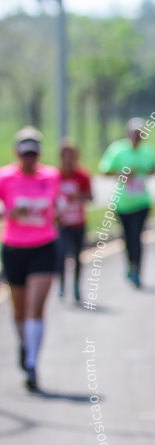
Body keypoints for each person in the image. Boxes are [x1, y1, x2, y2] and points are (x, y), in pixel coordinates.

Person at [0, 128, 61, 391]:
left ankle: (32, 363)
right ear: (17, 154)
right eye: (25, 154)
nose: (29, 159)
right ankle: (25, 346)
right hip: (14, 247)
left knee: (36, 307)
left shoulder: (50, 176)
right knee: (19, 309)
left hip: (44, 245)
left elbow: (56, 206)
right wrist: (11, 211)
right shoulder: (5, 177)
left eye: (33, 154)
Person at [98, 118, 155, 288]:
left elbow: (154, 168)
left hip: (142, 202)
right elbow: (104, 171)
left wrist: (143, 171)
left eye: (140, 135)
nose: (137, 138)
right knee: (127, 237)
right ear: (128, 134)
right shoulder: (117, 150)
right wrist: (123, 173)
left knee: (137, 236)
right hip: (122, 203)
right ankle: (129, 265)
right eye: (135, 134)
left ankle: (137, 269)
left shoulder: (147, 150)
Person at [55, 139, 93, 303]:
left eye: (72, 155)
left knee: (77, 256)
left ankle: (77, 285)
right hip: (61, 223)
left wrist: (77, 197)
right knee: (62, 254)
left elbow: (90, 196)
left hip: (78, 222)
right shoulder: (54, 176)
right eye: (66, 155)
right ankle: (62, 284)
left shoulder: (82, 175)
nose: (69, 159)